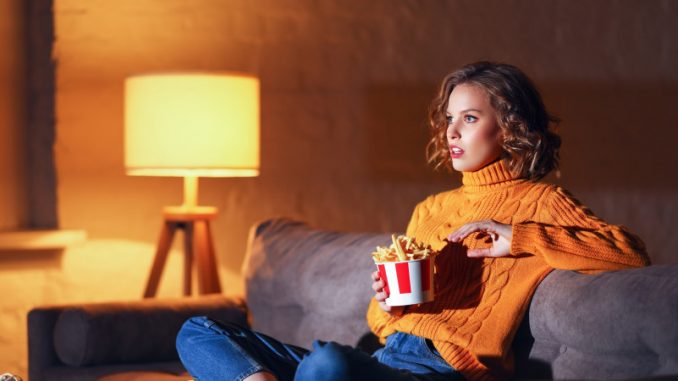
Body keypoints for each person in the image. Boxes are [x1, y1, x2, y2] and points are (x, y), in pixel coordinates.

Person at [175, 61, 651, 381]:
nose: (451, 132)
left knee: (327, 362)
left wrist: (517, 238)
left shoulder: (541, 201)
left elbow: (628, 253)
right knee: (197, 331)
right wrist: (389, 303)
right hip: (386, 358)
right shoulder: (431, 210)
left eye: (468, 118)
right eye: (449, 119)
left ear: (508, 127)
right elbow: (382, 323)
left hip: (441, 371)